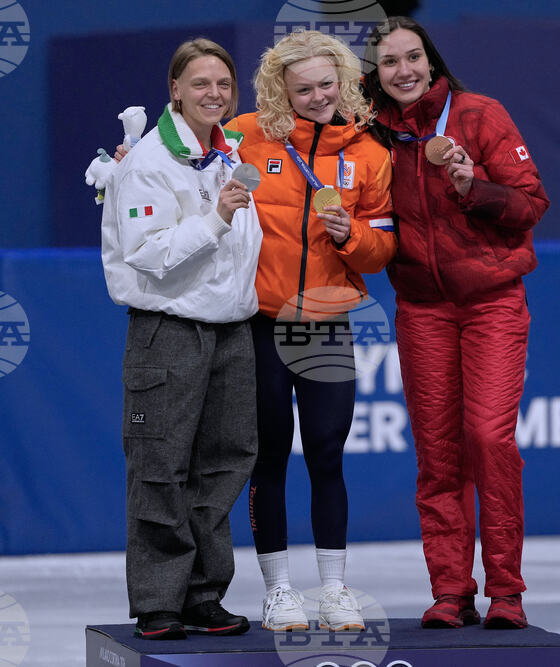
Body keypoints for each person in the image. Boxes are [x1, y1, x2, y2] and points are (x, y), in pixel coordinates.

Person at [364, 17, 550, 630]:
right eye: (390, 62)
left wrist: (474, 186)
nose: (405, 71)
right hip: (422, 309)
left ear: (431, 60)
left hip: (491, 302)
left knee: (489, 440)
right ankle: (451, 591)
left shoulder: (479, 115)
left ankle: (507, 591)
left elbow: (531, 204)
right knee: (438, 453)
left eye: (413, 57)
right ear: (376, 74)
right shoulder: (373, 132)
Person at [225, 30, 396, 633]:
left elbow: (382, 250)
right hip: (260, 322)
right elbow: (180, 162)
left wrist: (353, 236)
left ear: (344, 81)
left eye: (328, 84)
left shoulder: (369, 153)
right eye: (304, 89)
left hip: (325, 322)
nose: (319, 97)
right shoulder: (244, 135)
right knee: (268, 456)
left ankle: (334, 589)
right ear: (281, 91)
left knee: (326, 452)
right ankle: (278, 591)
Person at [100, 38, 262, 640]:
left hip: (231, 330)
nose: (214, 94)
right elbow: (146, 255)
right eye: (200, 83)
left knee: (223, 466)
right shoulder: (148, 161)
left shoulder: (228, 152)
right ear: (175, 90)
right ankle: (159, 601)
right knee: (160, 468)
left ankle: (202, 593)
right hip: (169, 330)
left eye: (223, 84)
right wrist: (216, 218)